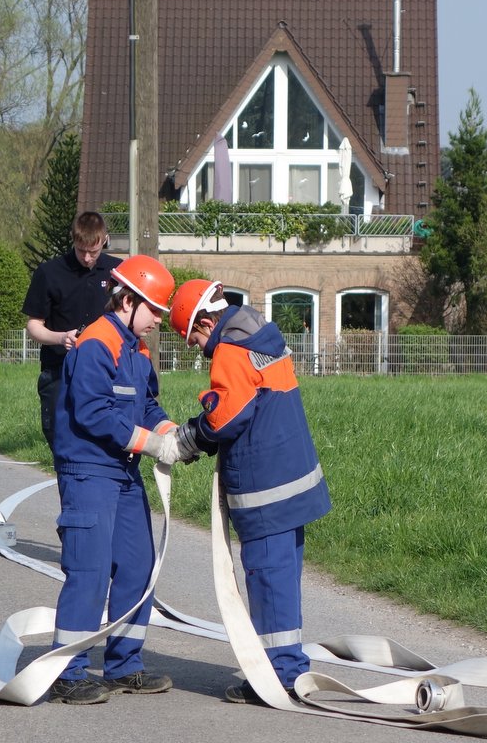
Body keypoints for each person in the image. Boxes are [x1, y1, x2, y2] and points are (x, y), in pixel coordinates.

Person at [168, 279, 332, 705]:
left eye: (194, 338)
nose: (197, 349)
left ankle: (279, 676)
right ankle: (288, 666)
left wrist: (190, 437)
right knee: (283, 582)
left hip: (265, 490)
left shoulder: (231, 349)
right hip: (291, 480)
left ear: (206, 322)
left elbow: (228, 414)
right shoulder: (260, 335)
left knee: (268, 583)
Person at [46, 254, 182, 706]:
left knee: (138, 566)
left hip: (123, 471)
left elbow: (146, 405)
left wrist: (172, 435)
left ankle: (124, 666)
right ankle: (67, 673)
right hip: (88, 471)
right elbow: (93, 412)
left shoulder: (137, 350)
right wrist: (150, 443)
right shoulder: (96, 344)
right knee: (90, 569)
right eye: (154, 310)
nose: (158, 321)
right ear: (128, 300)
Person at [22, 211, 122, 455]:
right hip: (59, 371)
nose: (87, 258)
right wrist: (60, 338)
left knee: (105, 444)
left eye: (93, 252)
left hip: (107, 373)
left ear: (105, 240)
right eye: (81, 251)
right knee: (62, 444)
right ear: (73, 240)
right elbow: (33, 325)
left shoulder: (118, 272)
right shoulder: (49, 273)